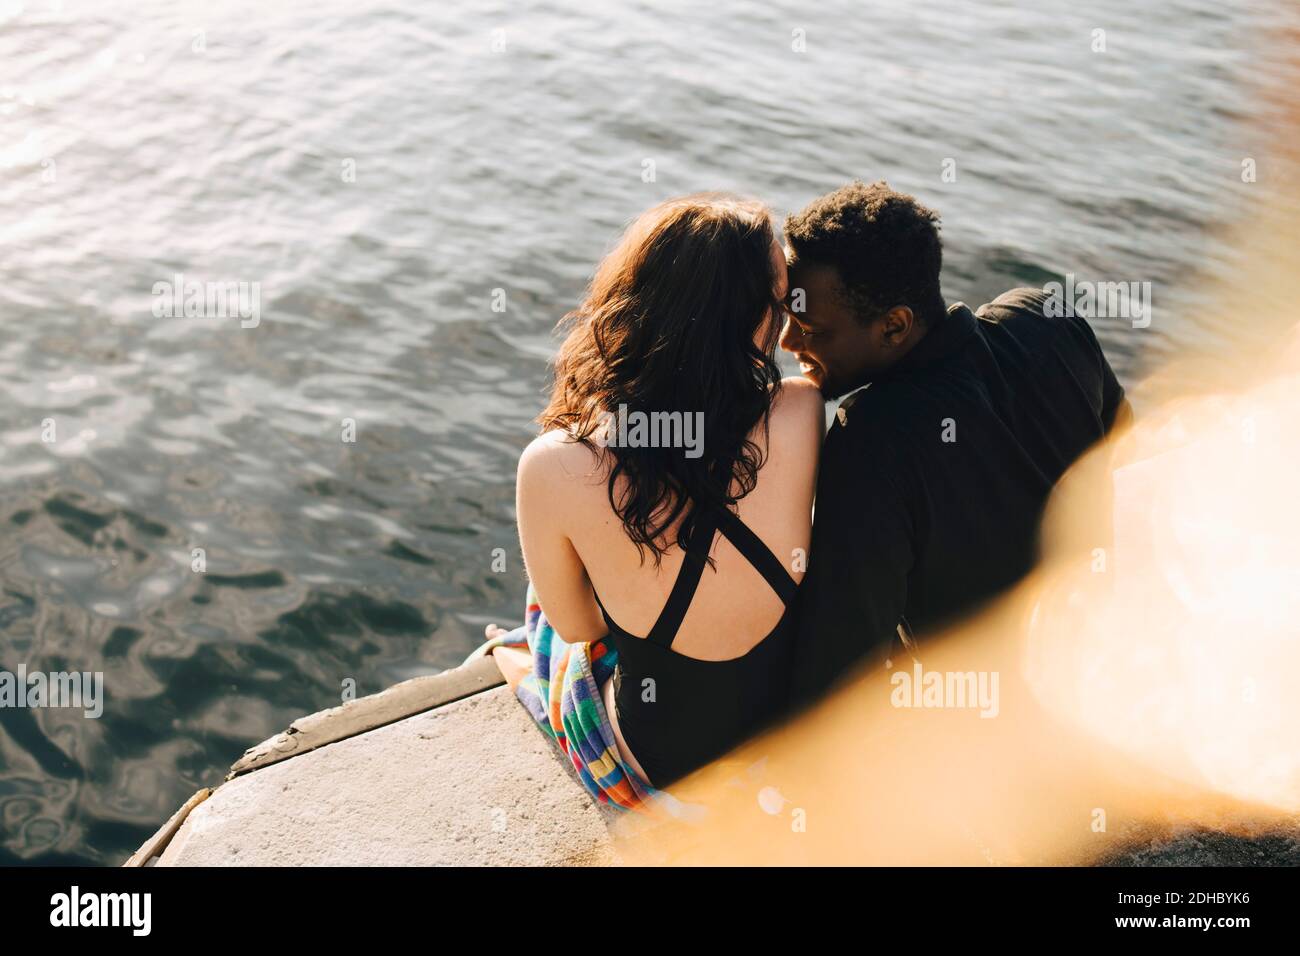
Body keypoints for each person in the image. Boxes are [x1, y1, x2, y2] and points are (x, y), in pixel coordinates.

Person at [505, 194, 823, 787]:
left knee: (544, 611)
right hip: (785, 731)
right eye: (778, 304)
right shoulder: (804, 408)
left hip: (667, 762)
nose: (784, 328)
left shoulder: (554, 467)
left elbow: (579, 629)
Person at [779, 180, 1132, 705]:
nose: (788, 341)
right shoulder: (1044, 318)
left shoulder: (871, 440)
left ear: (894, 326)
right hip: (1106, 652)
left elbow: (841, 670)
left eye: (810, 328)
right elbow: (1125, 438)